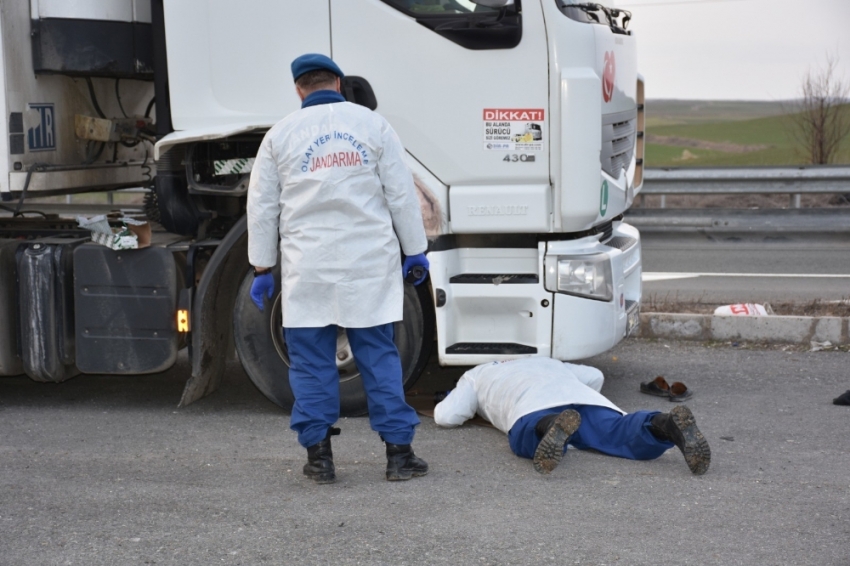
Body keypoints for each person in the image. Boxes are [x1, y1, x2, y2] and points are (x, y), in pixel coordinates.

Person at [247, 53, 430, 484]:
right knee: (379, 357)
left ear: (299, 89)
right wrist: (415, 249)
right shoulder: (372, 125)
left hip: (308, 270)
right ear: (339, 82)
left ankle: (319, 460)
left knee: (310, 364)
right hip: (367, 266)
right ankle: (399, 457)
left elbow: (261, 207)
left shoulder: (279, 136)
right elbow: (401, 193)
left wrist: (262, 268)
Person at [434, 357, 711, 475]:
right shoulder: (547, 360)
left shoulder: (476, 374)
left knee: (525, 433)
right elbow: (595, 376)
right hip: (584, 398)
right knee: (621, 431)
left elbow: (447, 416)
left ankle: (550, 425)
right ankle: (664, 425)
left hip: (532, 405)